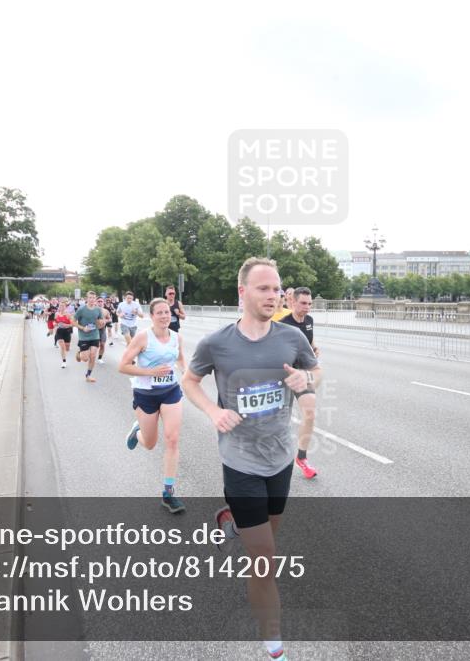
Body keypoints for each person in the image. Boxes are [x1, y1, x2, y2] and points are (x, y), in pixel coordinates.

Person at [181, 257, 320, 661]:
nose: (274, 295)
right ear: (242, 292)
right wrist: (212, 411)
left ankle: (239, 524)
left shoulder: (291, 338)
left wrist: (305, 381)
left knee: (267, 538)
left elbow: (315, 373)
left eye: (277, 288)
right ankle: (271, 632)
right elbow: (190, 381)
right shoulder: (216, 343)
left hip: (279, 461)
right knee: (264, 556)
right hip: (240, 462)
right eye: (264, 288)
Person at [119, 298, 187, 514]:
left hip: (170, 392)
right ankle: (137, 431)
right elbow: (123, 366)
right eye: (160, 313)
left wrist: (186, 373)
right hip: (145, 394)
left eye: (167, 312)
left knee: (172, 439)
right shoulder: (142, 337)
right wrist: (151, 373)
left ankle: (168, 493)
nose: (165, 316)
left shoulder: (177, 337)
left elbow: (181, 360)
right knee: (149, 444)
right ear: (151, 316)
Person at [278, 287, 319, 479]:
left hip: (302, 374)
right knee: (279, 420)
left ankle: (301, 457)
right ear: (292, 302)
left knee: (310, 412)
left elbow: (308, 343)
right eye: (303, 303)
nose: (307, 307)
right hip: (282, 374)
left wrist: (313, 349)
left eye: (310, 303)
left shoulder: (309, 321)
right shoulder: (282, 325)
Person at [74, 291, 103, 382]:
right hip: (84, 336)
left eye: (93, 298)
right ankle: (80, 353)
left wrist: (101, 322)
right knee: (85, 358)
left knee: (93, 355)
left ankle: (88, 375)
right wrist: (83, 328)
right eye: (90, 298)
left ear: (95, 299)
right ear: (87, 298)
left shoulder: (98, 309)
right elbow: (73, 321)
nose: (92, 299)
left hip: (95, 335)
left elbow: (100, 320)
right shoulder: (81, 309)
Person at [54, 301, 74, 367]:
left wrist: (66, 325)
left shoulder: (68, 315)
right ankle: (64, 361)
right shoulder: (56, 314)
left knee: (67, 348)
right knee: (62, 347)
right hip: (59, 331)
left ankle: (65, 353)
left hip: (67, 331)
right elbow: (55, 322)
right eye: (60, 306)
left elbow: (72, 324)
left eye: (63, 306)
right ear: (58, 307)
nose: (61, 307)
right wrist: (55, 325)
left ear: (65, 307)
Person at [94, 297, 111, 364]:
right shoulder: (92, 310)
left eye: (101, 301)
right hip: (94, 330)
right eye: (98, 301)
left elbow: (110, 319)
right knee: (95, 345)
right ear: (96, 302)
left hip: (102, 329)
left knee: (102, 344)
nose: (100, 303)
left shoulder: (106, 311)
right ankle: (92, 355)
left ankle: (100, 358)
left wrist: (105, 321)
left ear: (103, 302)